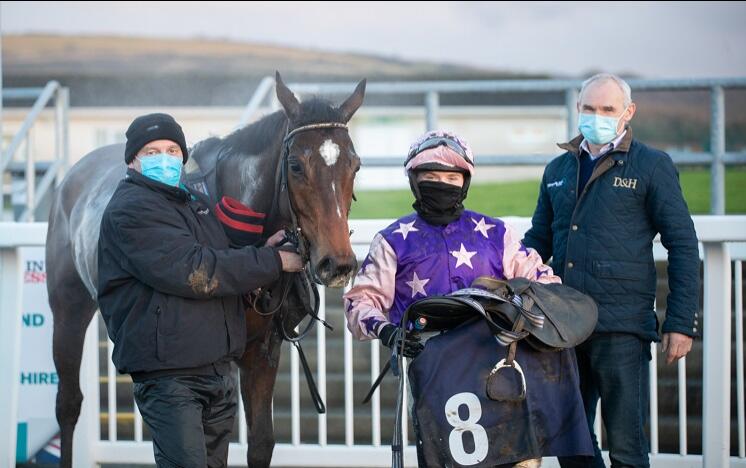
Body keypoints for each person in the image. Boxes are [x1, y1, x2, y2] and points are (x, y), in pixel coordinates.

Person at [344, 130, 593, 467]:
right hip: (437, 375)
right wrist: (388, 331)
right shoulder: (391, 241)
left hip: (500, 368)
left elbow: (544, 283)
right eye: (430, 176)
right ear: (414, 180)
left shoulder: (496, 233)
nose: (441, 183)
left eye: (451, 176)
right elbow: (360, 302)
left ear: (465, 181)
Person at [97, 113, 303, 468]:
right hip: (171, 377)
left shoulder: (194, 204)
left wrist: (266, 248)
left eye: (172, 149)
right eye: (152, 151)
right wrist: (274, 263)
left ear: (182, 156)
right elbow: (197, 271)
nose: (164, 158)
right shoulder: (131, 210)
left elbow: (221, 257)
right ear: (132, 160)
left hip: (215, 369)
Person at [523, 73, 700, 468]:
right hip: (563, 329)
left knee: (626, 448)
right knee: (571, 446)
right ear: (578, 109)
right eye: (589, 108)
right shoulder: (558, 169)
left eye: (607, 109)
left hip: (622, 329)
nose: (597, 116)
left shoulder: (652, 166)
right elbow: (537, 242)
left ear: (628, 113)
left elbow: (683, 243)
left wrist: (681, 321)